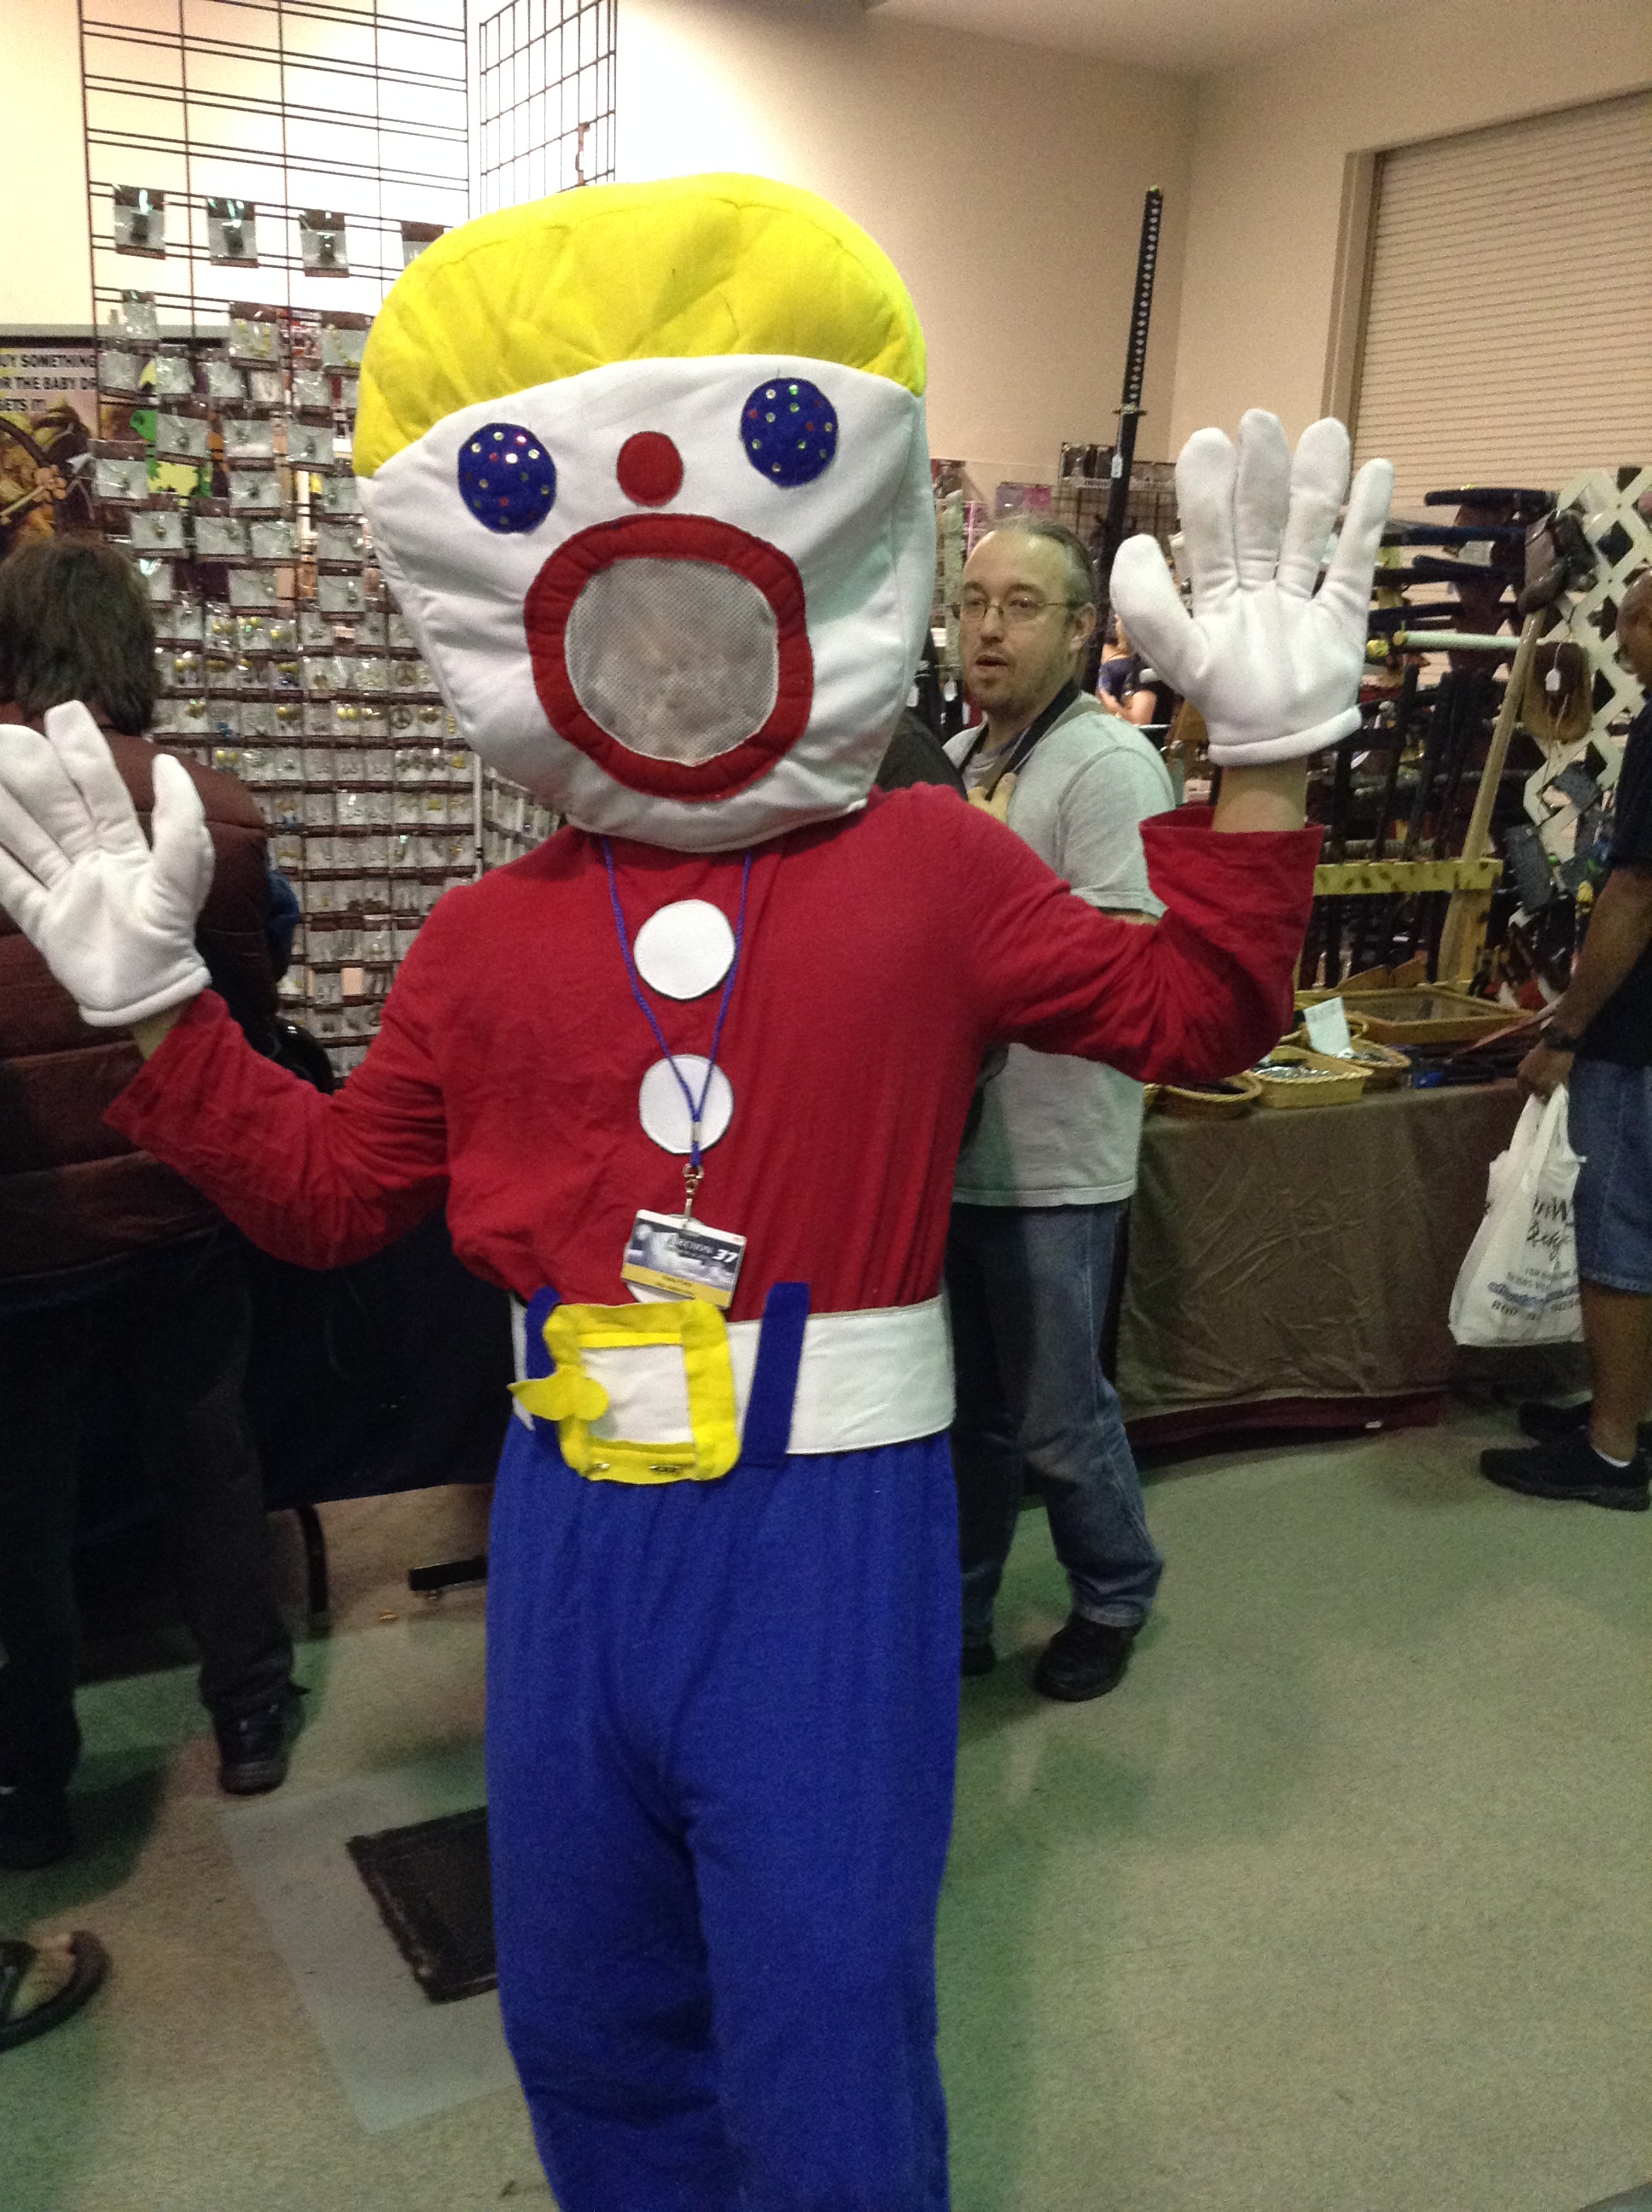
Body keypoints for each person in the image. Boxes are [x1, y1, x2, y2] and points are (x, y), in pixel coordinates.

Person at [0, 177, 1390, 2210]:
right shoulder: (487, 938)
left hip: (828, 1522)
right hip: (575, 1515)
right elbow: (325, 1198)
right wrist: (160, 1021)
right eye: (614, 606)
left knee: (823, 2009)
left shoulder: (932, 866)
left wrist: (1260, 762)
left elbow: (1198, 1012)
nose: (661, 647)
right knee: (585, 2013)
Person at [0, 535, 300, 1872]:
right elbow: (248, 1012)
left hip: (23, 1239)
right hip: (182, 1196)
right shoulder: (210, 810)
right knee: (210, 1460)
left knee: (24, 1513)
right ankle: (250, 1716)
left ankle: (32, 1781)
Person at [943, 520, 1173, 1697]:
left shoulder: (1108, 765)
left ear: (1083, 629)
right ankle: (960, 1609)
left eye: (1022, 605)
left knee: (1054, 1417)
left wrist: (982, 932)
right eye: (974, 601)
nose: (988, 628)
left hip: (1054, 1160)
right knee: (961, 1417)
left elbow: (1127, 957)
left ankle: (1115, 1593)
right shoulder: (953, 758)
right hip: (955, 1155)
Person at [1481, 569, 1652, 1511]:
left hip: (1638, 1035)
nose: (1623, 640)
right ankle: (1628, 1415)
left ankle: (1611, 1452)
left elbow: (1635, 893)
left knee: (1620, 1238)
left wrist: (1569, 1026)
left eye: (1636, 618)